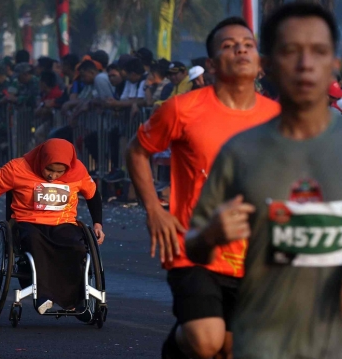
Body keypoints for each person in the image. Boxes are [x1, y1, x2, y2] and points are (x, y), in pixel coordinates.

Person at [185, 4, 342, 359]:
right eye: (291, 51)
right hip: (264, 338)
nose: (306, 64)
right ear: (269, 65)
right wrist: (213, 232)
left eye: (319, 51)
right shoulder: (241, 150)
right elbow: (194, 245)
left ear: (334, 64)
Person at [126, 16, 280, 359]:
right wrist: (153, 209)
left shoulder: (278, 117)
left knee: (231, 349)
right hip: (193, 245)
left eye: (248, 44)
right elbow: (137, 151)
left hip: (253, 255)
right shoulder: (183, 109)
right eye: (228, 45)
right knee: (205, 340)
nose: (240, 48)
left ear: (260, 62)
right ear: (211, 64)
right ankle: (176, 348)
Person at [0, 139, 104, 318]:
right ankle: (42, 296)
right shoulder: (18, 168)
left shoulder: (78, 171)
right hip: (28, 222)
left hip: (63, 222)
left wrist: (98, 224)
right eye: (49, 169)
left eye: (60, 172)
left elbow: (93, 195)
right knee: (35, 244)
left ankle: (76, 300)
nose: (53, 176)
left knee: (76, 246)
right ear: (41, 160)